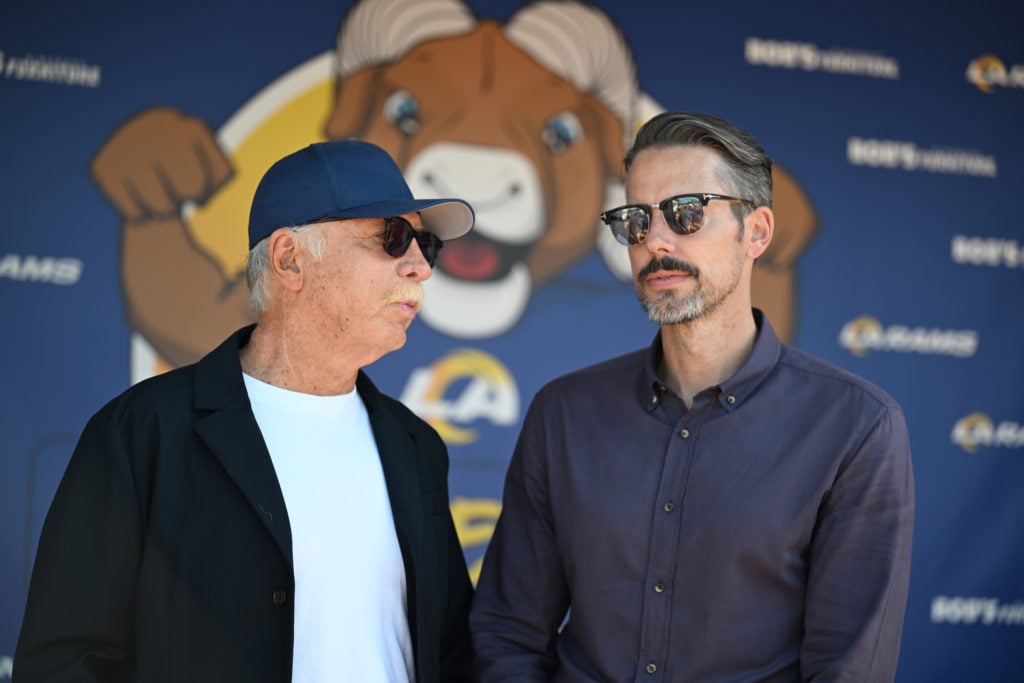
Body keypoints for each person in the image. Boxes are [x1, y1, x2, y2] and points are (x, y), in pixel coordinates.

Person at [470, 112, 914, 682]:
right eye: (635, 220)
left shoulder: (857, 428)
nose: (655, 241)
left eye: (687, 213)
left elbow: (848, 667)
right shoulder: (564, 414)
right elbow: (508, 632)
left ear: (756, 232)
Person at [15, 140, 476, 682]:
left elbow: (452, 651)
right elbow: (66, 660)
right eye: (392, 238)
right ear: (289, 259)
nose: (419, 266)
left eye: (424, 243)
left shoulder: (415, 447)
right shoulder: (143, 433)